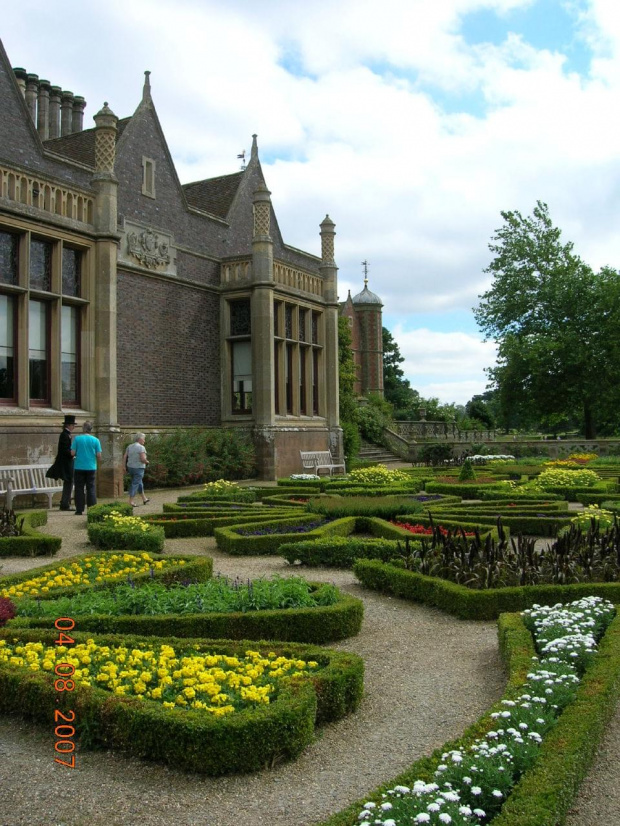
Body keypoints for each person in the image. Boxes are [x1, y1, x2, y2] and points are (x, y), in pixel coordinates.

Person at [71, 421, 102, 516]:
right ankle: (92, 509)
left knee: (79, 488)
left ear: (83, 429)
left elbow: (72, 453)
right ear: (91, 429)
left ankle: (79, 510)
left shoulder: (77, 439)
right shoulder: (96, 440)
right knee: (91, 488)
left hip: (79, 466)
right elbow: (98, 455)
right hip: (91, 466)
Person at [46, 414, 76, 510]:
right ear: (68, 425)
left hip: (67, 462)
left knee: (69, 482)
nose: (74, 426)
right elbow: (64, 450)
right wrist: (73, 454)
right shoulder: (64, 435)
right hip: (65, 463)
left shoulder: (67, 434)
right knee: (69, 481)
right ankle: (64, 504)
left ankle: (64, 503)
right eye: (72, 425)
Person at [123, 432, 150, 507]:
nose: (144, 441)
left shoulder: (129, 446)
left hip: (130, 468)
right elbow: (143, 459)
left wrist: (124, 467)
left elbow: (125, 457)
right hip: (139, 468)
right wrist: (147, 462)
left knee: (139, 482)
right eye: (144, 439)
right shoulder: (141, 447)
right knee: (135, 484)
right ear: (140, 439)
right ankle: (130, 501)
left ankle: (144, 498)